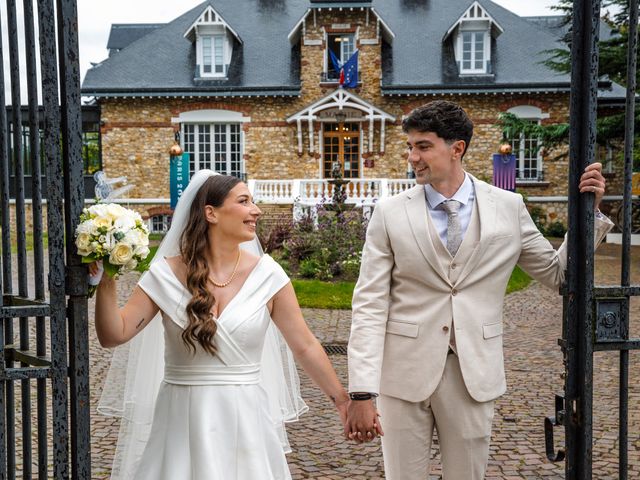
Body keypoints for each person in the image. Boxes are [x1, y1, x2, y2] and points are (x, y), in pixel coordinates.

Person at [345, 100, 613, 479]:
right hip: (401, 373)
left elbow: (558, 275)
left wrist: (591, 216)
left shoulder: (508, 206)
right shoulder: (390, 212)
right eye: (410, 147)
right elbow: (369, 304)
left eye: (423, 146)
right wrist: (361, 391)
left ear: (457, 148)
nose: (412, 157)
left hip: (473, 372)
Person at [93, 170, 349, 479]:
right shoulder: (164, 275)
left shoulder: (268, 275)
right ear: (211, 213)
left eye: (253, 201)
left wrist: (343, 400)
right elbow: (113, 334)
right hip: (182, 420)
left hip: (246, 421)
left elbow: (305, 345)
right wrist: (106, 275)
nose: (256, 210)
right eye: (244, 201)